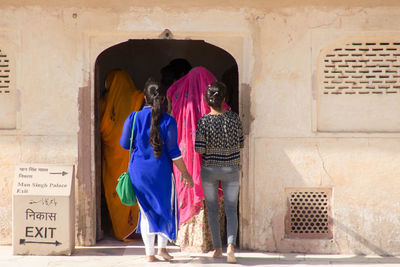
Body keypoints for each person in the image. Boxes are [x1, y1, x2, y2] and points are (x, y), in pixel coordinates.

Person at [120, 78, 193, 262]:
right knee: (164, 209)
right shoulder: (169, 121)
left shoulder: (133, 118)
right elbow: (174, 152)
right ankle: (162, 249)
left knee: (145, 212)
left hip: (139, 173)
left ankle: (149, 254)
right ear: (162, 98)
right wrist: (185, 173)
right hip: (161, 174)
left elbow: (123, 144)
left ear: (144, 97)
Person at [167, 66, 230, 252]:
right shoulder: (218, 111)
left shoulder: (179, 100)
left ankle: (188, 241)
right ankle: (211, 243)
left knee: (188, 194)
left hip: (184, 158)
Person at [195, 81, 244, 263]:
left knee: (213, 210)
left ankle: (217, 249)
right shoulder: (234, 118)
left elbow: (199, 149)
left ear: (207, 101)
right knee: (232, 210)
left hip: (210, 170)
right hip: (231, 168)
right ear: (224, 99)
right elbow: (240, 144)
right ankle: (231, 246)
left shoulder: (204, 121)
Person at [100, 69, 144, 241]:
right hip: (134, 157)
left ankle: (121, 230)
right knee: (133, 190)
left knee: (117, 191)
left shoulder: (103, 103)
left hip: (112, 159)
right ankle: (136, 229)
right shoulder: (138, 98)